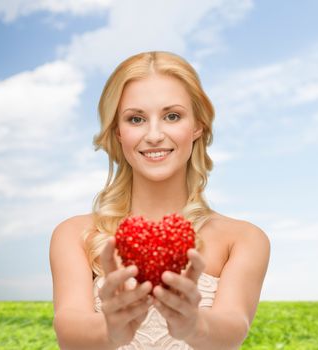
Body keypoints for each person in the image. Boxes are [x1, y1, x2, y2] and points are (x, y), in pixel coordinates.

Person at [50, 51, 270, 350]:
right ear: (118, 131)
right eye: (136, 119)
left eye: (172, 116)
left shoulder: (244, 238)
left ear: (197, 126)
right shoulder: (75, 234)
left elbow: (234, 327)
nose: (154, 135)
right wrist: (110, 330)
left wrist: (194, 325)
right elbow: (69, 331)